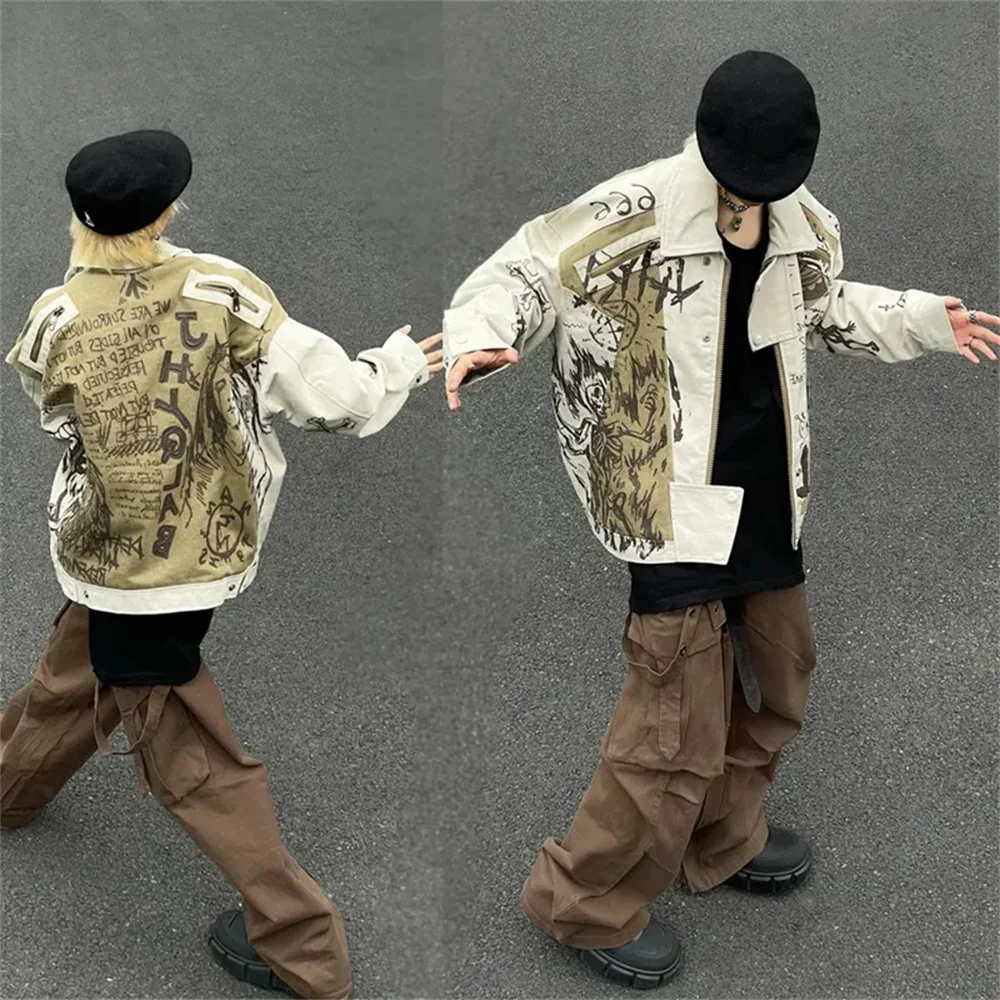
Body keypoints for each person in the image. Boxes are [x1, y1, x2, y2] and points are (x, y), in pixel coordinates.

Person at [443, 51, 999, 989]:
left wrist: (919, 321)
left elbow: (822, 307)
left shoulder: (799, 217)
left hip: (767, 489)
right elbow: (525, 272)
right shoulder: (632, 217)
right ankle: (581, 901)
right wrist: (482, 336)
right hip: (666, 497)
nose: (755, 197)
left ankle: (720, 833)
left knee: (781, 679)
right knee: (671, 725)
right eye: (741, 180)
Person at [0, 129, 443, 1000]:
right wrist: (395, 366)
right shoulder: (223, 292)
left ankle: (15, 793)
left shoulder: (53, 319)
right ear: (166, 212)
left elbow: (57, 418)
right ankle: (306, 948)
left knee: (99, 663)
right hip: (198, 558)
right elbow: (335, 402)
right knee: (190, 760)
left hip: (102, 551)